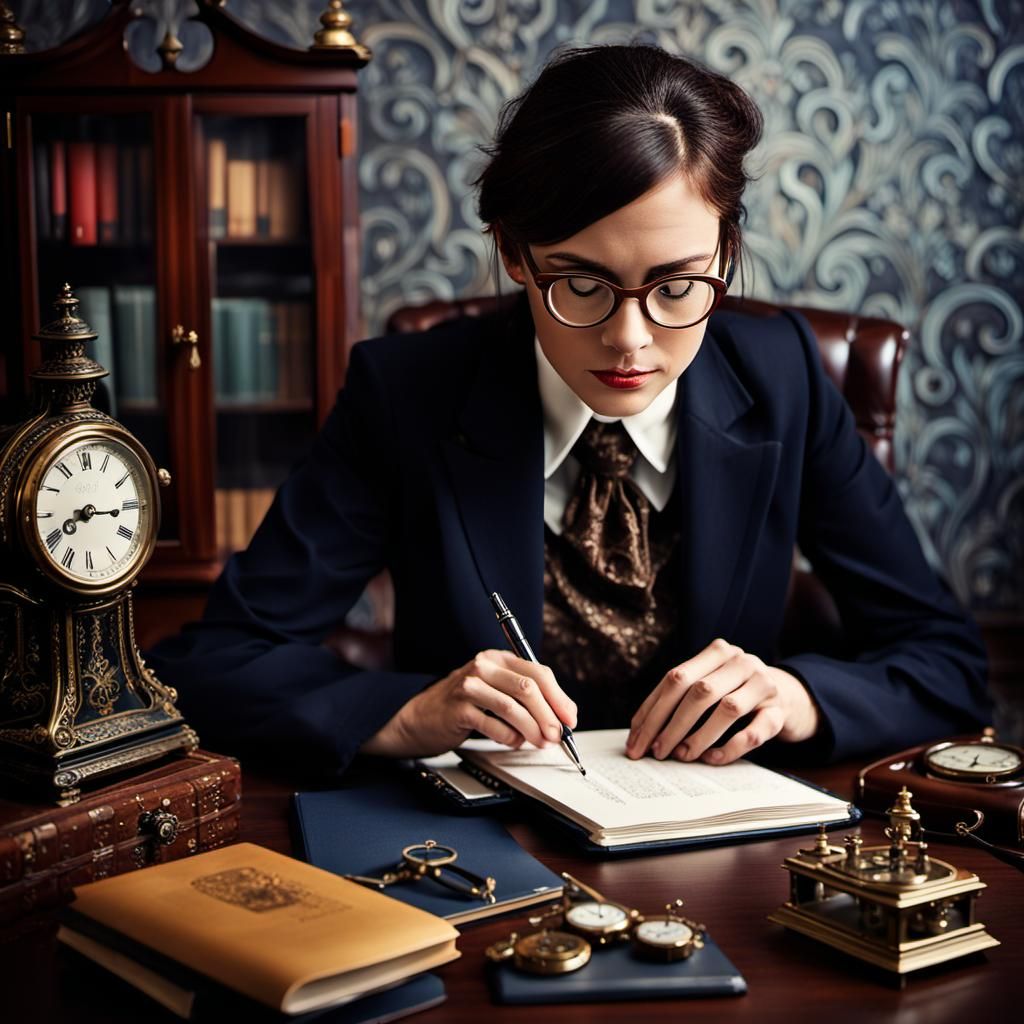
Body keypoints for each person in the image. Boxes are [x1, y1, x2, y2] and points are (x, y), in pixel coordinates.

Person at [146, 44, 990, 776]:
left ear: (726, 251)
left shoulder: (786, 380)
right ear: (515, 251)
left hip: (726, 852)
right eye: (582, 284)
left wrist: (797, 696)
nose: (631, 340)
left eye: (678, 285)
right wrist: (403, 714)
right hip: (473, 859)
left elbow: (948, 663)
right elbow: (215, 665)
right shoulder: (406, 393)